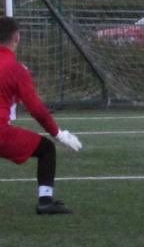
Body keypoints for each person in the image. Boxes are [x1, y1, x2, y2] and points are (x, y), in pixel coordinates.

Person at [0, 16, 82, 214]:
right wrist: (58, 134)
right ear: (17, 37)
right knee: (46, 149)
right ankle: (45, 201)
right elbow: (36, 109)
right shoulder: (16, 69)